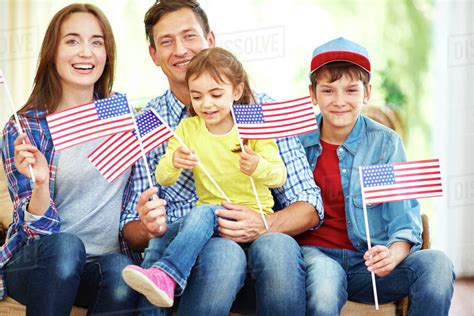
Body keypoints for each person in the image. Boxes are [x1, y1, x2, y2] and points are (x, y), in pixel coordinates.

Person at [127, 0, 323, 315]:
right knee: (223, 254)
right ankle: (164, 275)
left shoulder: (258, 115)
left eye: (189, 36)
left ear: (210, 40)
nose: (180, 49)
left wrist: (265, 224)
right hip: (185, 244)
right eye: (167, 41)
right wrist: (149, 226)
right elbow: (130, 228)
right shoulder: (151, 123)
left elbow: (310, 205)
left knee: (274, 246)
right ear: (154, 55)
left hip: (258, 244)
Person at [0, 4, 153, 314]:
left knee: (123, 274)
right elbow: (33, 232)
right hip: (39, 260)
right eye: (72, 41)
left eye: (97, 42)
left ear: (107, 54)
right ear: (52, 52)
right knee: (67, 247)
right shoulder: (26, 128)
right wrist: (40, 184)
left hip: (104, 263)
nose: (86, 52)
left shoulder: (124, 118)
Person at [297, 37, 455, 315]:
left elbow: (404, 218)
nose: (340, 101)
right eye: (328, 91)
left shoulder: (385, 144)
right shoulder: (297, 142)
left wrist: (391, 255)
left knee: (437, 264)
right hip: (316, 259)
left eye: (351, 90)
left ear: (367, 93)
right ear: (313, 94)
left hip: (368, 264)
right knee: (323, 288)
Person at [122, 47, 287, 308]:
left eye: (216, 94)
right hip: (208, 221)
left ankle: (169, 274)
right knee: (158, 241)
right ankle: (157, 282)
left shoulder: (251, 126)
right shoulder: (188, 128)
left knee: (204, 212)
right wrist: (174, 162)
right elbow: (163, 178)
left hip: (246, 216)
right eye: (197, 96)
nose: (206, 104)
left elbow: (279, 176)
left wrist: (258, 166)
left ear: (236, 90)